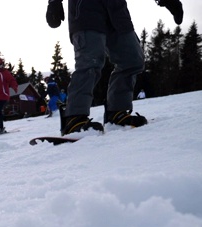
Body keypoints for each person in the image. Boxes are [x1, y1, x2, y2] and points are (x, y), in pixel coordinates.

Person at [45, 0, 183, 135]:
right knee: (90, 62)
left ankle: (117, 112)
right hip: (86, 10)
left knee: (132, 60)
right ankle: (74, 118)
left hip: (117, 13)